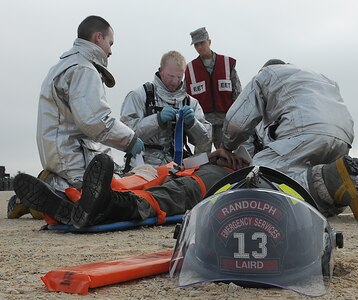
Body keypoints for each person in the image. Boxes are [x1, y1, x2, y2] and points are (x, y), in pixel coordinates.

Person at [8, 16, 144, 218]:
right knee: (94, 200)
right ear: (98, 38)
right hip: (73, 154)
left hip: (59, 150)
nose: (111, 50)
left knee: (90, 195)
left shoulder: (65, 65)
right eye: (110, 42)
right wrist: (130, 140)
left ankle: (37, 193)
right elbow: (95, 120)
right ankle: (49, 191)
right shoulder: (83, 69)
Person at [222, 59, 358, 222]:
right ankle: (341, 184)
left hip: (305, 129)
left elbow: (237, 123)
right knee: (322, 192)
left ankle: (332, 179)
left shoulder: (266, 75)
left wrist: (227, 146)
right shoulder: (321, 79)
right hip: (343, 136)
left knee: (263, 175)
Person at [13, 150, 248, 228]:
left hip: (210, 179)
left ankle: (103, 205)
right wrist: (210, 155)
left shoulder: (257, 152)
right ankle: (78, 202)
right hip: (176, 167)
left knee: (174, 193)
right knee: (135, 179)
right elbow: (187, 161)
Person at [120, 50, 211, 167]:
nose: (174, 81)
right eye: (171, 76)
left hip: (178, 167)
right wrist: (157, 120)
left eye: (179, 77)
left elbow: (205, 141)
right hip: (142, 166)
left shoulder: (191, 103)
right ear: (160, 70)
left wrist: (193, 124)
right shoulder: (139, 95)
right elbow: (126, 135)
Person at [185, 27, 242, 153]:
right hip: (202, 124)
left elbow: (237, 93)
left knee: (229, 157)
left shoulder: (227, 64)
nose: (200, 47)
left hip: (225, 122)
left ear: (209, 42)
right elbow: (185, 97)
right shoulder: (190, 69)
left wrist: (237, 120)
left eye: (202, 43)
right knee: (200, 160)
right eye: (196, 44)